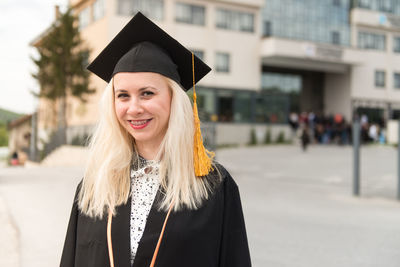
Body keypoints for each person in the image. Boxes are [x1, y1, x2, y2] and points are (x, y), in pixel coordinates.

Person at [60, 12, 251, 267]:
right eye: (123, 95)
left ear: (174, 100)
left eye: (147, 93)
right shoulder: (95, 185)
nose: (134, 108)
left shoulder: (214, 186)